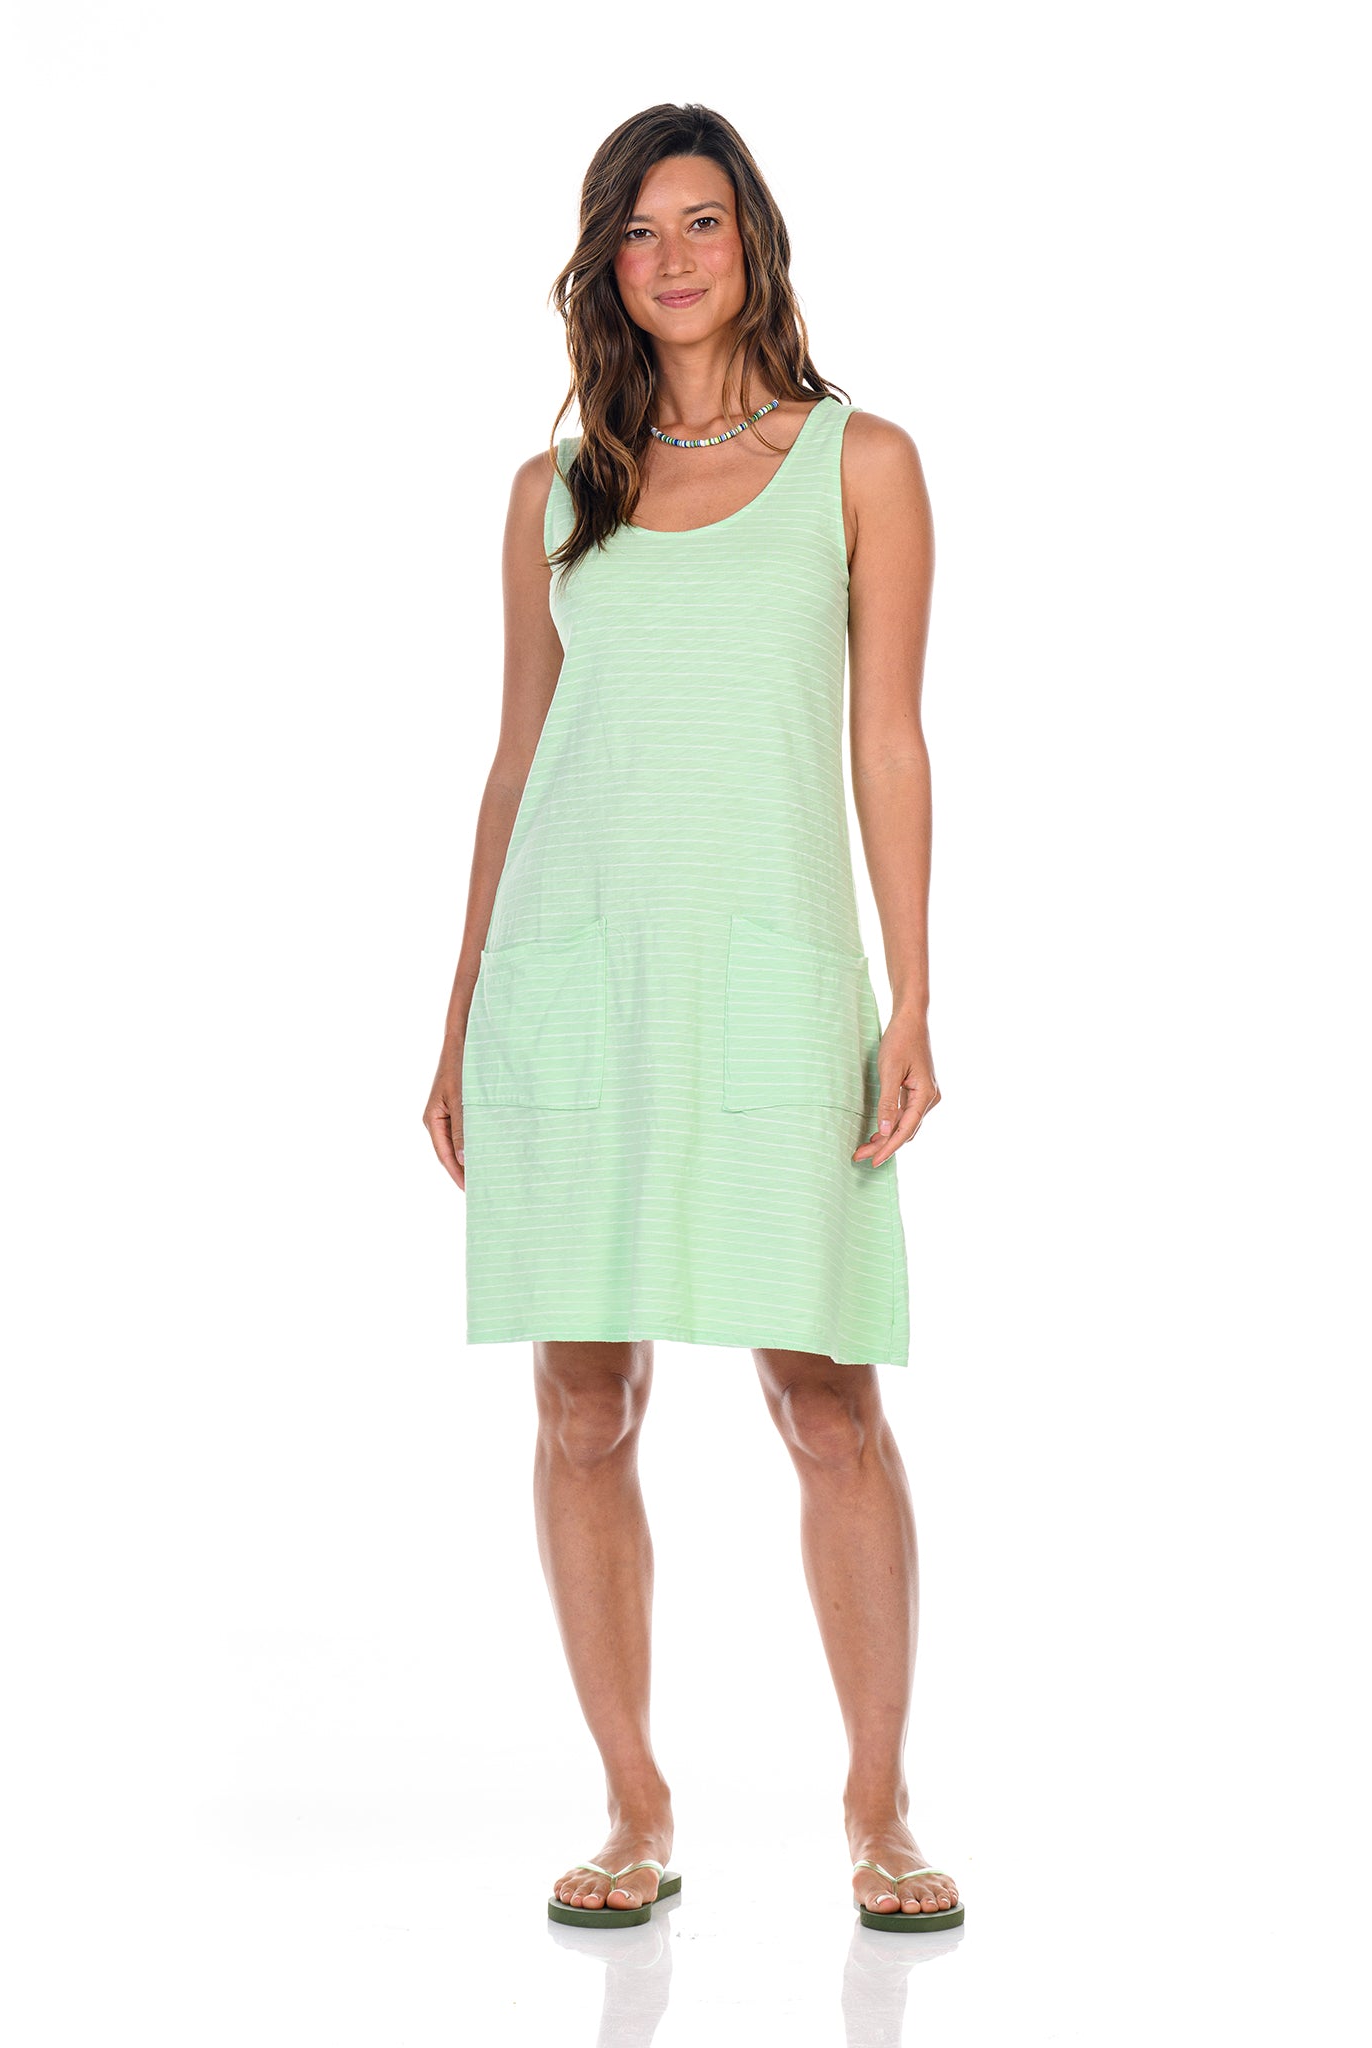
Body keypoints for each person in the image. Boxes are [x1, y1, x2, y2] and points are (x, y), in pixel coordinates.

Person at [422, 102, 957, 1934]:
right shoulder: (557, 489)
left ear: (754, 242)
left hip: (772, 979)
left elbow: (891, 740)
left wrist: (911, 989)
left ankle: (880, 1807)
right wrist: (457, 1013)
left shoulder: (861, 464)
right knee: (584, 1403)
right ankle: (633, 1805)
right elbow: (517, 761)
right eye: (639, 230)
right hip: (574, 978)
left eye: (702, 222)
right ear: (606, 261)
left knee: (826, 1395)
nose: (671, 257)